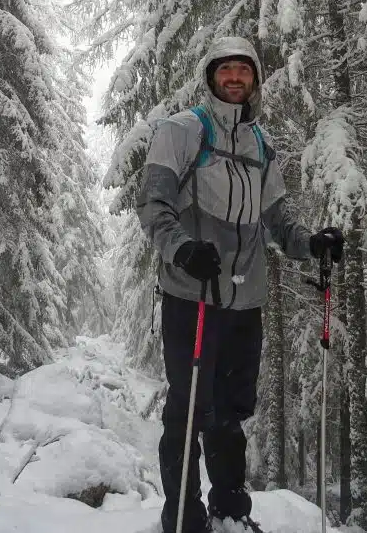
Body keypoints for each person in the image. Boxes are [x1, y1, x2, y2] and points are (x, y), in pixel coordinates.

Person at [137, 36, 344, 533]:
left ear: (253, 80)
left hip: (244, 301)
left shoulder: (261, 143)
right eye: (225, 70)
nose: (234, 79)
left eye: (243, 72)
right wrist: (183, 249)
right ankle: (184, 518)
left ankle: (229, 509)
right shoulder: (182, 131)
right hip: (194, 296)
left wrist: (311, 243)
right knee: (188, 409)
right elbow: (153, 205)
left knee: (230, 412)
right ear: (211, 78)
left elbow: (274, 221)